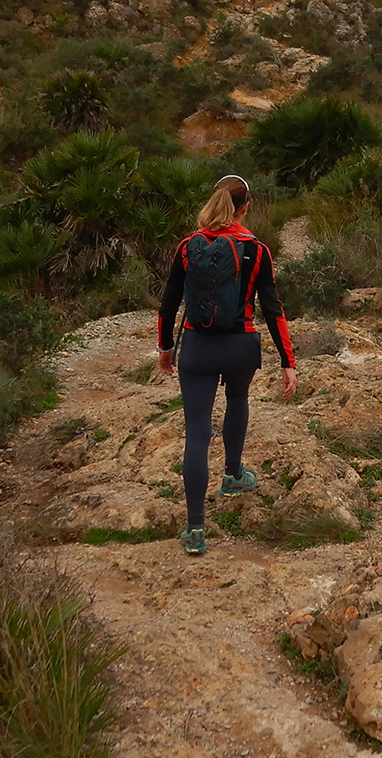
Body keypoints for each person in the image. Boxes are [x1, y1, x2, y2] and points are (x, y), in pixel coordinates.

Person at [156, 174, 297, 556]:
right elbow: (273, 308)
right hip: (240, 345)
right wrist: (288, 362)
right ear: (245, 207)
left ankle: (196, 528)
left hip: (198, 347)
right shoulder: (257, 250)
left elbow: (169, 302)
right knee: (237, 399)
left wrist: (165, 347)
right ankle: (233, 474)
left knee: (197, 433)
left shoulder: (188, 246)